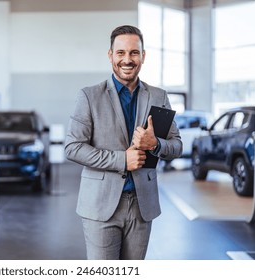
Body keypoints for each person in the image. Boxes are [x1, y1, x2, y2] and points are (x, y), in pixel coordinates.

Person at [64, 25, 182, 260]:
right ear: (111, 55)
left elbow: (177, 145)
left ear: (143, 56)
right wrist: (122, 160)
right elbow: (72, 147)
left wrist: (155, 144)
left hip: (142, 206)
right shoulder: (89, 96)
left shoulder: (159, 96)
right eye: (121, 53)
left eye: (134, 53)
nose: (127, 60)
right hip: (100, 206)